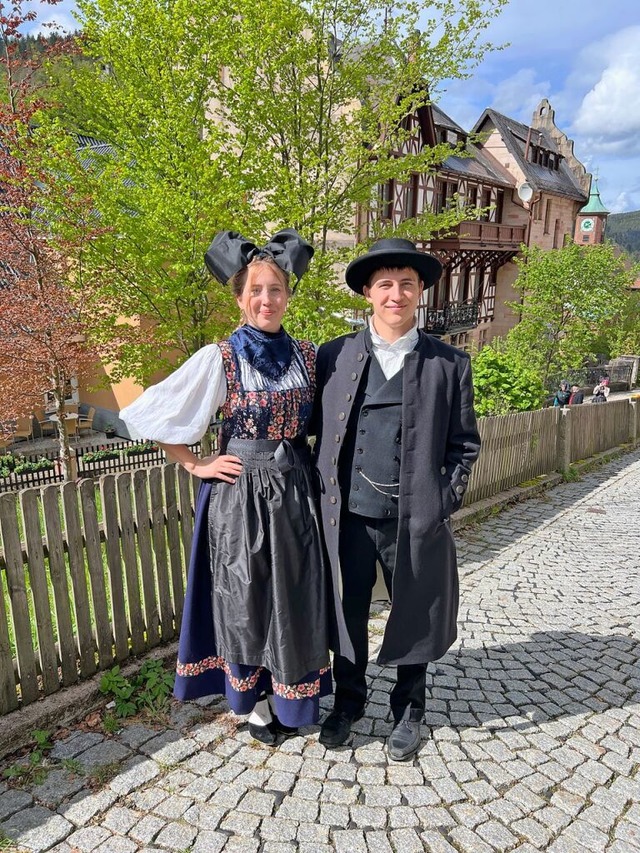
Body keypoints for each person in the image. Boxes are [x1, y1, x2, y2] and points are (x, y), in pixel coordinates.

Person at [120, 229, 352, 745]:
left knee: (292, 597)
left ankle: (289, 700)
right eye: (256, 290)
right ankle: (256, 707)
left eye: (275, 289)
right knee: (246, 597)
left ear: (288, 295)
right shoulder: (220, 357)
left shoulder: (309, 357)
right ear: (240, 298)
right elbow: (153, 414)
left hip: (294, 492)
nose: (266, 299)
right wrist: (194, 464)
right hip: (240, 494)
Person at [311, 237, 481, 761]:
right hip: (349, 514)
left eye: (406, 284)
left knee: (416, 608)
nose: (396, 294)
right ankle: (349, 701)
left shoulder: (449, 364)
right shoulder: (333, 356)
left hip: (414, 517)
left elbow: (464, 445)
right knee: (348, 610)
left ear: (420, 292)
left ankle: (409, 707)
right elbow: (311, 431)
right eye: (385, 284)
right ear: (368, 293)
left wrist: (441, 501)